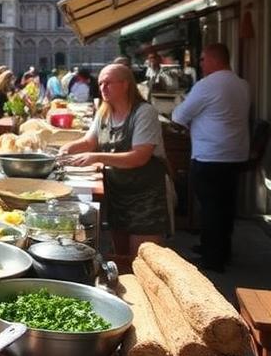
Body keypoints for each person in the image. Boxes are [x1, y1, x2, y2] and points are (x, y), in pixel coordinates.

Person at [59, 63, 169, 262]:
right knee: (121, 255)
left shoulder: (144, 113)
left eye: (108, 83)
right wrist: (67, 148)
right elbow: (89, 141)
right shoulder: (104, 112)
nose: (102, 88)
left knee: (143, 259)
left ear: (125, 85)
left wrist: (97, 157)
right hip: (117, 193)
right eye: (101, 83)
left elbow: (139, 156)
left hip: (145, 197)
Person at [171, 43, 250, 273]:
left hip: (210, 155)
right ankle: (220, 250)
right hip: (235, 154)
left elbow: (179, 115)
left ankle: (212, 259)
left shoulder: (207, 85)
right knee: (226, 207)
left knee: (210, 208)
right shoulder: (242, 84)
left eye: (204, 59)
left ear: (215, 59)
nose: (201, 63)